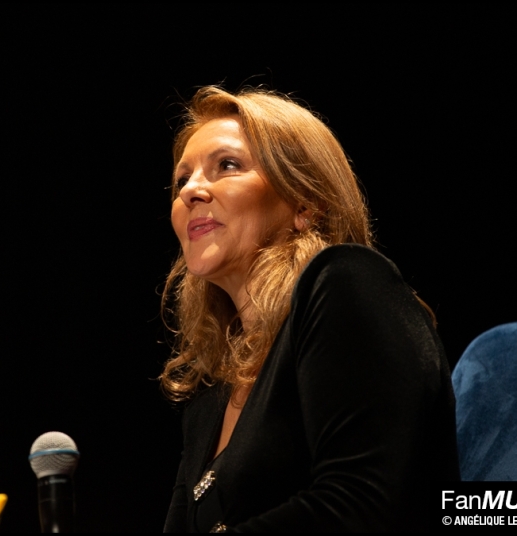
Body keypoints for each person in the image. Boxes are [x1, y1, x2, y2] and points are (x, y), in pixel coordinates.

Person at [159, 86, 459, 532]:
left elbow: (363, 503)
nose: (191, 191)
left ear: (305, 204)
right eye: (182, 180)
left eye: (227, 165)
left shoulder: (347, 284)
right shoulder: (210, 391)